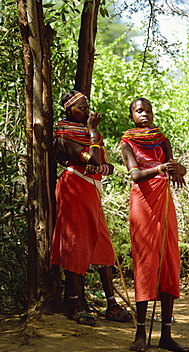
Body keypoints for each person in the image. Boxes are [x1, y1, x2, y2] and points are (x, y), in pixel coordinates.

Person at [51, 90, 132, 325]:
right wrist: (93, 133)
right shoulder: (64, 136)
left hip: (92, 190)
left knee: (102, 242)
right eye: (81, 108)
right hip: (74, 187)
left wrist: (100, 165)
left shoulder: (85, 134)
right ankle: (74, 303)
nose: (86, 111)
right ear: (68, 110)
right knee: (77, 242)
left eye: (87, 107)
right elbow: (96, 161)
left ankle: (112, 306)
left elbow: (106, 166)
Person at [121, 97, 189, 352]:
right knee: (145, 262)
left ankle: (166, 335)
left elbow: (174, 170)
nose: (145, 115)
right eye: (139, 111)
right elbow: (136, 175)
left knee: (168, 261)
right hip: (142, 205)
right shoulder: (127, 143)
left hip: (164, 204)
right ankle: (140, 333)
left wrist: (178, 169)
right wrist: (161, 168)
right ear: (132, 117)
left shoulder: (162, 140)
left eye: (148, 111)